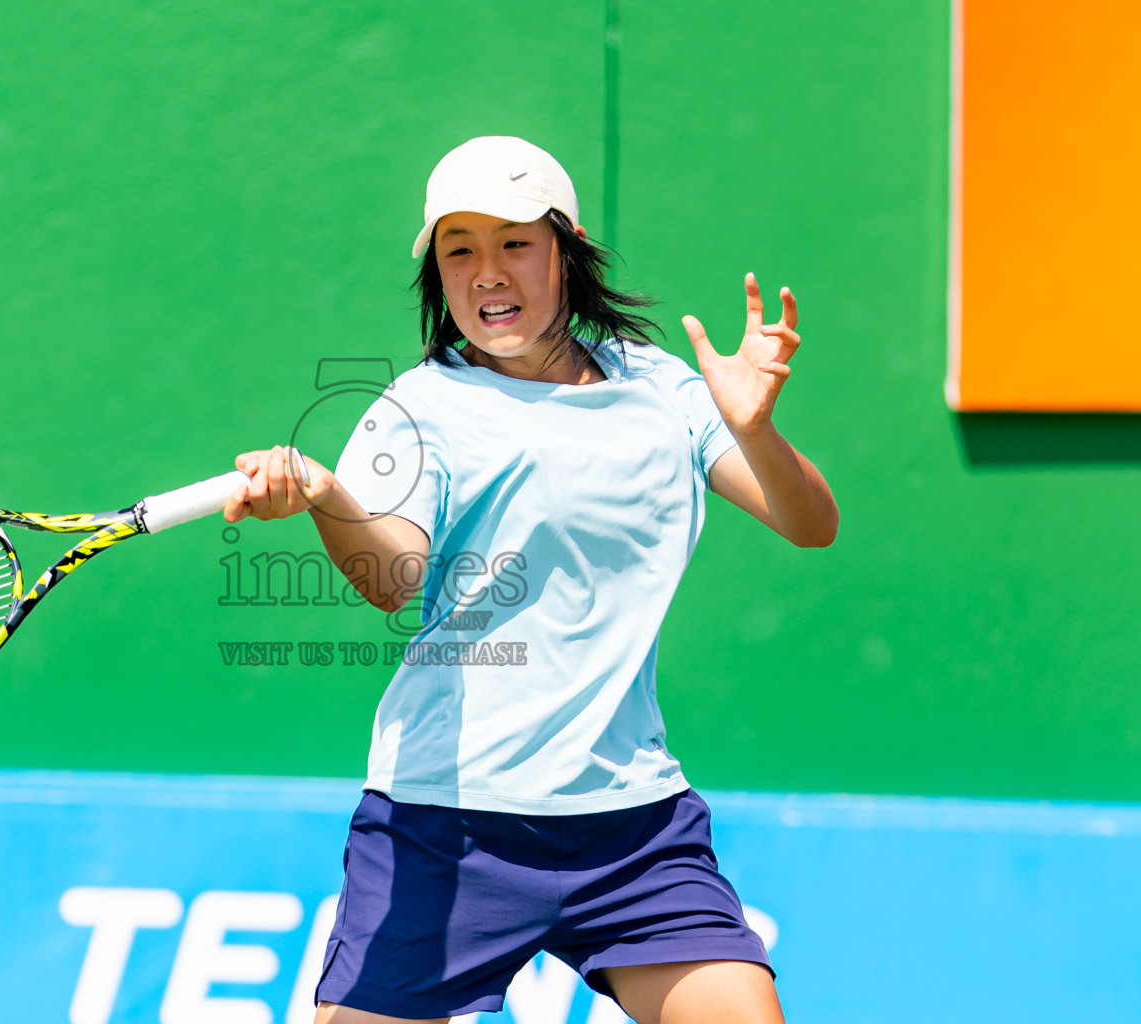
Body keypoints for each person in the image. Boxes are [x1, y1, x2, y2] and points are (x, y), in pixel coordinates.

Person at [224, 136, 836, 1024]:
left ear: (566, 245)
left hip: (633, 826)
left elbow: (810, 524)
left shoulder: (664, 391)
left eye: (513, 242)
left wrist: (754, 428)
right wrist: (324, 495)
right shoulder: (418, 406)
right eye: (458, 249)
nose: (486, 273)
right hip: (446, 822)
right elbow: (393, 575)